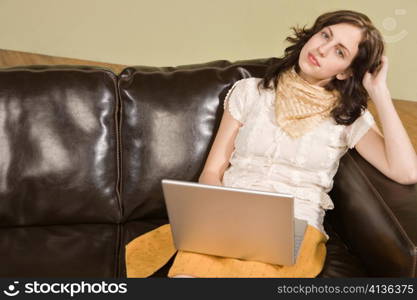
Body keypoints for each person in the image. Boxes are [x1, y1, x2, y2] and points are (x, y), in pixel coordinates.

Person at [126, 9, 417, 278]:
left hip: (295, 227)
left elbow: (406, 172)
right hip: (230, 214)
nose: (322, 49)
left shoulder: (349, 117)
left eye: (339, 51)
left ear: (344, 71)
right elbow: (212, 171)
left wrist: (379, 93)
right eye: (325, 35)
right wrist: (217, 214)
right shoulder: (250, 92)